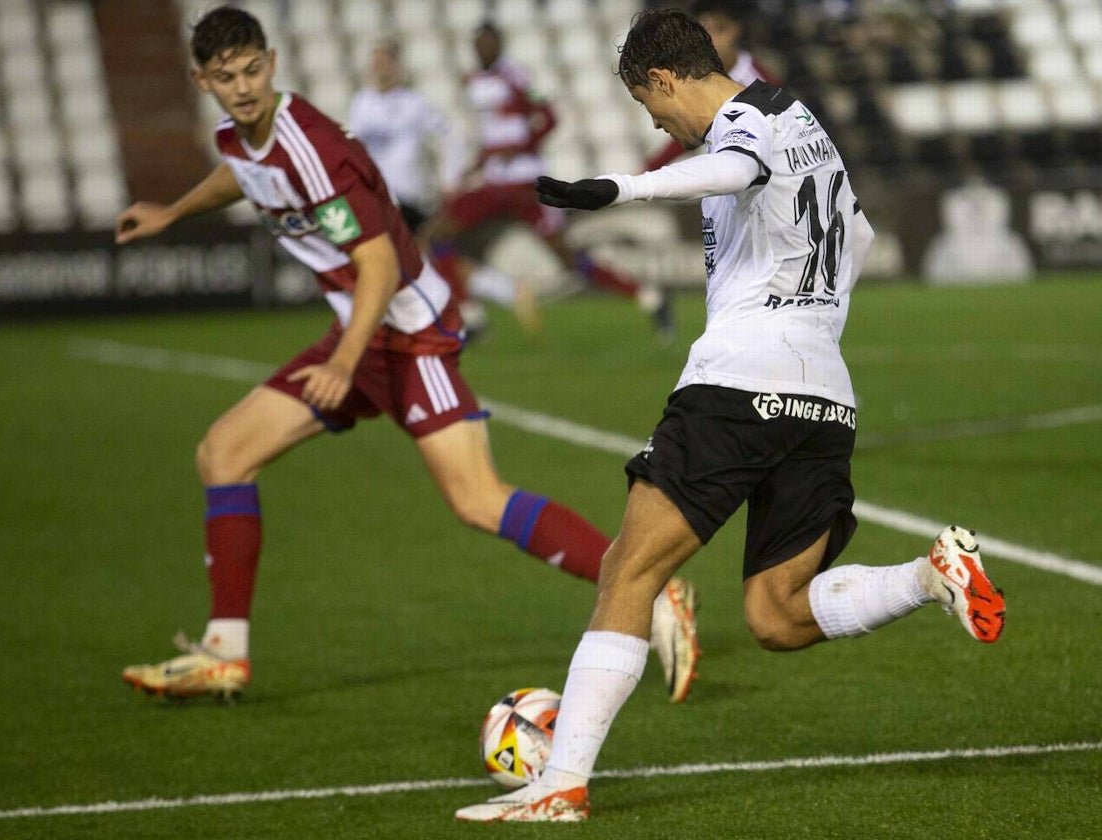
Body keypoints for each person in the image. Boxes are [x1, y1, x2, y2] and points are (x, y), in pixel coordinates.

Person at [455, 9, 1007, 821]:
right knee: (777, 614)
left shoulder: (745, 123)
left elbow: (734, 169)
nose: (661, 127)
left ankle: (561, 784)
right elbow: (854, 239)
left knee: (628, 571)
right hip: (823, 392)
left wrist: (622, 188)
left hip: (739, 382)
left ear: (665, 79)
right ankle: (931, 576)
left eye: (653, 109)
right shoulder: (807, 128)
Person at [114, 7, 700, 704]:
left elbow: (380, 266)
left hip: (406, 335)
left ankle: (653, 588)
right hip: (361, 335)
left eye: (250, 71)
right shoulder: (242, 139)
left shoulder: (315, 149)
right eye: (224, 78)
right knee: (224, 454)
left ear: (271, 62)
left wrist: (343, 362)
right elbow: (242, 173)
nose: (241, 88)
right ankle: (224, 652)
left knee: (480, 500)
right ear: (202, 79)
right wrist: (172, 212)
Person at [422, 21, 676, 343]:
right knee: (438, 236)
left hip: (525, 182)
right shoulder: (474, 81)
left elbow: (548, 118)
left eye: (489, 43)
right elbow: (494, 135)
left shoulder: (515, 75)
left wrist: (523, 146)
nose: (483, 49)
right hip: (493, 182)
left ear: (499, 45)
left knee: (567, 258)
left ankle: (649, 295)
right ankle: (470, 316)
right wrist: (477, 165)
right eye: (478, 44)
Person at [348, 37, 540, 334]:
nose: (379, 68)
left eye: (385, 61)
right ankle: (496, 294)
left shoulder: (412, 103)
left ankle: (463, 309)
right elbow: (354, 149)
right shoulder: (361, 104)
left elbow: (448, 137)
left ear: (396, 65)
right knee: (425, 255)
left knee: (415, 254)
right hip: (376, 194)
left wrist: (449, 179)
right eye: (376, 61)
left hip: (407, 194)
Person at [643, 0, 782, 172]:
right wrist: (650, 167)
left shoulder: (761, 80)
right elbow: (690, 129)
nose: (712, 38)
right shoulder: (689, 75)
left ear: (736, 31)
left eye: (720, 29)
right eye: (705, 30)